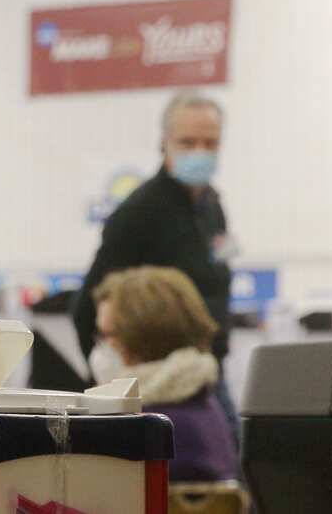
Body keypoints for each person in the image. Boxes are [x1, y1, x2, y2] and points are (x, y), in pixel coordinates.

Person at [72, 91, 236, 427]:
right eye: (188, 141)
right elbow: (87, 308)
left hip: (208, 372)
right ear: (165, 142)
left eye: (210, 142)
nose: (200, 151)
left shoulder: (212, 207)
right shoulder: (138, 213)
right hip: (163, 390)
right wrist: (111, 386)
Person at [91, 267, 239, 483]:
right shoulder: (199, 402)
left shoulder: (150, 429)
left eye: (107, 335)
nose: (101, 346)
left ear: (142, 337)